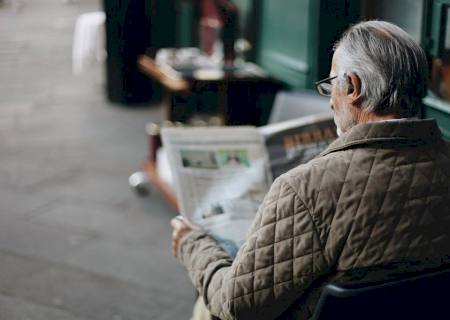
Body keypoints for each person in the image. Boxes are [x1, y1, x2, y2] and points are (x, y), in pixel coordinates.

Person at [170, 20, 450, 319]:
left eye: (331, 84)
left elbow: (236, 306)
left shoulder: (305, 189)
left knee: (207, 307)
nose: (330, 100)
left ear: (353, 86)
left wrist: (192, 244)